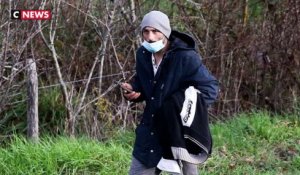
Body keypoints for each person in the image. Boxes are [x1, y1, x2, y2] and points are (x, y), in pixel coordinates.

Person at [121, 10, 219, 175]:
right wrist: (135, 91)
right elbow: (146, 85)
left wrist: (179, 107)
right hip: (150, 131)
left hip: (179, 134)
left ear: (165, 32)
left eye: (155, 31)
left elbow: (210, 89)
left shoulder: (185, 57)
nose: (150, 37)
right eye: (146, 31)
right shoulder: (143, 55)